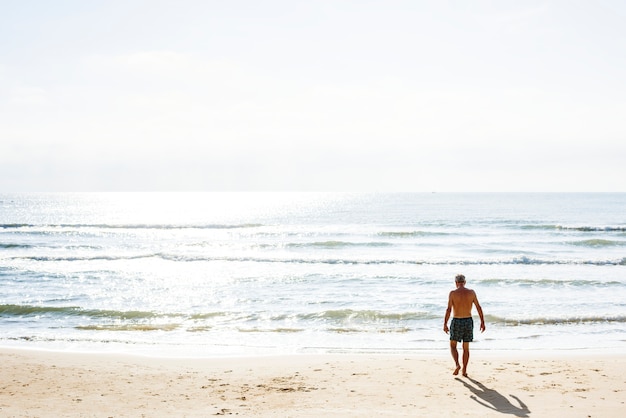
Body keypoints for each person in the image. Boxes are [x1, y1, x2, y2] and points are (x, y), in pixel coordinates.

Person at [443, 274, 485, 377]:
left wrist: (445, 323)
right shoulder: (471, 292)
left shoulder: (452, 293)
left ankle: (457, 364)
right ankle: (464, 370)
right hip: (468, 321)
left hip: (457, 321)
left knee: (453, 345)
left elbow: (448, 309)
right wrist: (482, 322)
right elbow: (478, 307)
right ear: (464, 282)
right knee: (466, 348)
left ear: (456, 283)